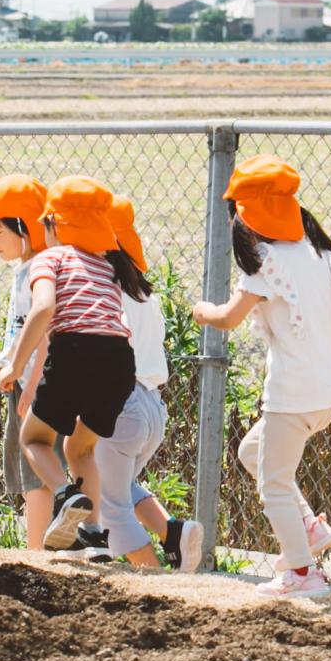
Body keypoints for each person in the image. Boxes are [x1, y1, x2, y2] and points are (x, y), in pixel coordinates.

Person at [192, 157, 331, 599]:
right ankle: (308, 527)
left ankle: (304, 576)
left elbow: (229, 319)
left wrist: (202, 311)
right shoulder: (322, 254)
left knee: (272, 484)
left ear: (244, 217)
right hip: (326, 393)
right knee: (253, 451)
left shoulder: (264, 264)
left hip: (291, 396)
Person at [0, 178, 147, 557]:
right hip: (119, 363)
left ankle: (66, 496)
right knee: (80, 448)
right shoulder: (107, 264)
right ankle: (93, 535)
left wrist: (15, 365)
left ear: (52, 225)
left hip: (76, 351)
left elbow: (44, 309)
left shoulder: (51, 258)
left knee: (33, 439)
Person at [100, 193, 202, 571]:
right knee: (115, 484)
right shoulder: (144, 293)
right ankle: (171, 531)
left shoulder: (103, 291)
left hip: (120, 407)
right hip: (151, 407)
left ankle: (153, 575)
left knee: (109, 505)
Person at [0, 174, 68, 549]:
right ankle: (44, 548)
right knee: (37, 474)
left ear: (24, 227)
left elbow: (48, 331)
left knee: (37, 477)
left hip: (35, 387)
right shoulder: (29, 268)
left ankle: (36, 552)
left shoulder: (40, 269)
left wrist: (28, 383)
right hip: (29, 384)